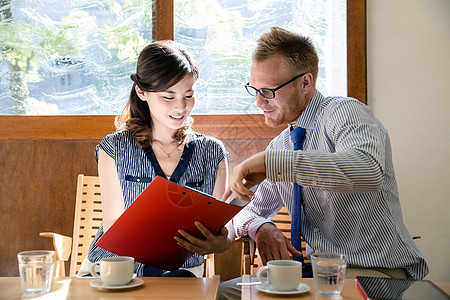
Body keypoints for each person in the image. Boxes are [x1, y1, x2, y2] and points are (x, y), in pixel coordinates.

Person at [219, 27, 428, 299]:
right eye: (255, 89)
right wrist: (261, 227)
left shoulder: (345, 112)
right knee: (222, 294)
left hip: (376, 273)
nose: (259, 101)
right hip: (320, 276)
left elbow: (367, 170)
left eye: (269, 90)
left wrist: (273, 162)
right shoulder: (281, 146)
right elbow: (243, 211)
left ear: (306, 82)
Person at [85, 40, 235, 278]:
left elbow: (226, 233)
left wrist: (217, 243)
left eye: (189, 95)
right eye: (168, 97)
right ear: (141, 92)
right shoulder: (114, 148)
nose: (181, 106)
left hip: (181, 276)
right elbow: (114, 225)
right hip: (116, 273)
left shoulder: (212, 152)